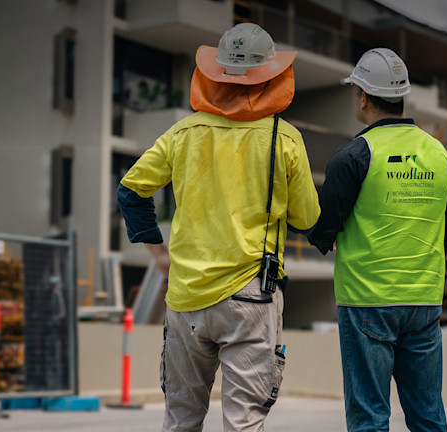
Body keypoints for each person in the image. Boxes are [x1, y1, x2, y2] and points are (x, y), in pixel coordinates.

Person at [117, 23, 319, 432]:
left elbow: (131, 192)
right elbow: (306, 219)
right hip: (251, 297)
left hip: (186, 296)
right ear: (272, 76)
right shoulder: (285, 138)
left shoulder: (183, 133)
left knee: (181, 419)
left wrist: (158, 253)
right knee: (243, 422)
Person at [307, 48, 447, 432]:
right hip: (425, 301)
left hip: (367, 301)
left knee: (370, 418)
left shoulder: (355, 155)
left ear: (362, 97)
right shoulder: (441, 155)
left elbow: (321, 230)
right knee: (428, 416)